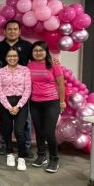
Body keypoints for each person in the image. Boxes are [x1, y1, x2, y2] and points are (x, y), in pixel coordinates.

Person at [0, 20, 33, 158]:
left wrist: (52, 61)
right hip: (4, 88)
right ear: (4, 31)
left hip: (22, 89)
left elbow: (36, 60)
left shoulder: (27, 46)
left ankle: (26, 147)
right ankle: (5, 146)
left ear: (19, 31)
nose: (12, 31)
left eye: (15, 29)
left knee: (25, 122)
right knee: (5, 122)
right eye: (9, 29)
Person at [28, 41, 65, 173]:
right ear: (32, 53)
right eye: (35, 50)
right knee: (38, 131)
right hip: (35, 102)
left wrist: (62, 102)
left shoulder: (54, 65)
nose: (38, 53)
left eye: (41, 50)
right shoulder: (29, 65)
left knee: (49, 132)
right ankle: (42, 156)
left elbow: (61, 84)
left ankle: (54, 159)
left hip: (51, 102)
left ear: (46, 52)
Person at [0, 47, 31, 171]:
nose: (12, 58)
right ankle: (10, 154)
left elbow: (28, 89)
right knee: (7, 130)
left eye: (14, 56)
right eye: (9, 56)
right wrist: (9, 106)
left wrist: (19, 106)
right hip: (5, 103)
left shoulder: (25, 70)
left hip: (21, 103)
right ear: (6, 58)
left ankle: (21, 157)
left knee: (19, 131)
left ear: (18, 57)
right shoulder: (0, 72)